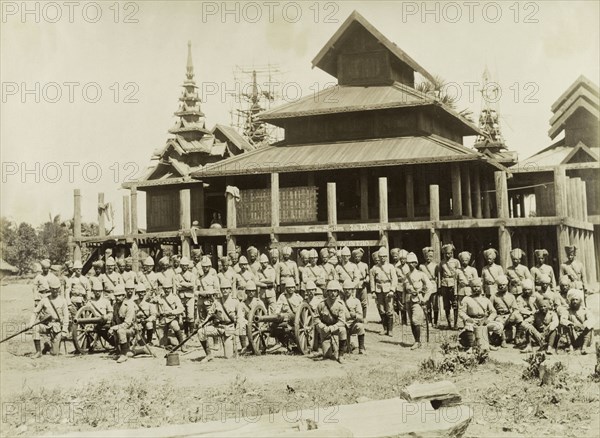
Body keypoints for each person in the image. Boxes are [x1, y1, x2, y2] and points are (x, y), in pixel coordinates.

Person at [458, 278, 501, 352]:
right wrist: (467, 318)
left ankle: (489, 343)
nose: (476, 289)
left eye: (478, 287)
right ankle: (471, 347)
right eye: (474, 287)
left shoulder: (486, 299)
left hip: (483, 321)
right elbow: (461, 312)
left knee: (498, 327)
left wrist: (488, 320)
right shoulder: (466, 299)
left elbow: (493, 312)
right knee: (469, 327)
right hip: (472, 320)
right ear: (471, 288)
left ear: (480, 287)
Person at [30, 276, 69, 358]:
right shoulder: (44, 300)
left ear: (59, 289)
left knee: (54, 353)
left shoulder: (63, 301)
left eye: (57, 288)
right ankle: (38, 352)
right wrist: (31, 323)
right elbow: (35, 312)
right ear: (50, 288)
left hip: (56, 328)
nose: (55, 290)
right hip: (46, 325)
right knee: (35, 328)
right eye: (53, 288)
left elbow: (66, 317)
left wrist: (64, 330)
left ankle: (48, 346)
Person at [404, 252, 434, 349]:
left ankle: (417, 342)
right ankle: (416, 340)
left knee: (415, 320)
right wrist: (404, 301)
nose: (410, 264)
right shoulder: (406, 275)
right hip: (408, 300)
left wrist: (425, 299)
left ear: (416, 263)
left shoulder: (421, 274)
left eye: (412, 262)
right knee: (411, 322)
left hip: (418, 300)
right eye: (408, 263)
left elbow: (430, 287)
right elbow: (404, 290)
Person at [315, 280, 348, 363]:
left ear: (338, 292)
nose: (333, 293)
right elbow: (316, 318)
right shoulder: (321, 304)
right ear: (327, 292)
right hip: (325, 330)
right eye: (331, 291)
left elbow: (341, 321)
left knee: (343, 330)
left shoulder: (340, 304)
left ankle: (341, 355)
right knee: (327, 355)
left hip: (335, 328)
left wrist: (332, 328)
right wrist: (322, 326)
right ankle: (332, 346)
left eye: (335, 291)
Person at [370, 247, 397, 336]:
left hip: (388, 289)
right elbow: (372, 280)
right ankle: (385, 328)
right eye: (381, 256)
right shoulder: (374, 268)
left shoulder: (391, 267)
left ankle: (390, 330)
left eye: (384, 256)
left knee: (389, 309)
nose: (382, 258)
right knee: (381, 310)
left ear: (387, 257)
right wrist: (373, 291)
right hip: (378, 290)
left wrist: (392, 290)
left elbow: (394, 279)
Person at [490, 275, 522, 347]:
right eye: (500, 285)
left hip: (509, 315)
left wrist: (513, 315)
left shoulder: (511, 296)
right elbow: (491, 309)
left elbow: (516, 309)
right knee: (499, 322)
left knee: (519, 318)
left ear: (507, 285)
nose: (501, 287)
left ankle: (517, 337)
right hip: (499, 315)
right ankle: (503, 340)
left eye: (503, 285)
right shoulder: (494, 296)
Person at [155, 277, 185, 350]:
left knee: (174, 325)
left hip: (172, 318)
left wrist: (171, 312)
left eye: (168, 288)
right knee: (162, 345)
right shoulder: (160, 297)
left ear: (171, 288)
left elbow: (181, 308)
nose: (167, 290)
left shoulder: (175, 297)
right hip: (163, 320)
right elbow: (148, 300)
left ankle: (182, 344)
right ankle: (169, 341)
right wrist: (151, 292)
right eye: (165, 288)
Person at [561, 288, 594, 354]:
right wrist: (571, 324)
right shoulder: (568, 311)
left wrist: (584, 325)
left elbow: (592, 319)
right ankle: (570, 347)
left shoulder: (585, 310)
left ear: (580, 301)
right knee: (566, 326)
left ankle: (584, 347)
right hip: (573, 335)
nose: (575, 301)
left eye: (576, 300)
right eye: (573, 300)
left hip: (584, 336)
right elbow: (562, 320)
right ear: (570, 301)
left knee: (589, 327)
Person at [108, 284, 136, 363]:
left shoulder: (129, 305)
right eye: (116, 296)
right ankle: (120, 351)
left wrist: (114, 328)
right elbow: (114, 319)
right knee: (114, 330)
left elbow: (127, 323)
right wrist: (111, 327)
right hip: (121, 328)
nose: (117, 297)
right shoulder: (115, 305)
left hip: (131, 329)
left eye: (119, 295)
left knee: (120, 331)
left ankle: (123, 355)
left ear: (124, 296)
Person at [341, 279, 366, 355]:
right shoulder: (340, 301)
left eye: (349, 289)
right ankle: (348, 346)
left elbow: (361, 317)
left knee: (360, 326)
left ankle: (361, 348)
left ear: (352, 290)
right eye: (345, 289)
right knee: (344, 349)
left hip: (352, 325)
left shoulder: (356, 301)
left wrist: (355, 315)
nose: (347, 291)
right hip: (342, 325)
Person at [516, 279, 541, 352]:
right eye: (525, 290)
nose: (527, 291)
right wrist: (529, 313)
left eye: (529, 289)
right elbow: (520, 309)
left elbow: (539, 306)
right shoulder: (519, 298)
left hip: (536, 315)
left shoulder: (535, 297)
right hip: (526, 315)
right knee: (527, 323)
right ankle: (528, 344)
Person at [439, 244, 460, 329]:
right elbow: (440, 274)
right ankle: (449, 323)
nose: (448, 255)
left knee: (455, 304)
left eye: (450, 253)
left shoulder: (456, 262)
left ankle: (455, 323)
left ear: (452, 253)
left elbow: (459, 273)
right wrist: (439, 286)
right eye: (446, 254)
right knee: (446, 305)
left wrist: (458, 285)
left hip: (453, 284)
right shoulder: (442, 262)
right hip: (445, 284)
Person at [238, 279, 260, 354]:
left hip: (258, 326)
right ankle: (244, 347)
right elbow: (240, 316)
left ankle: (253, 346)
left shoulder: (258, 302)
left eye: (253, 291)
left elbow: (265, 314)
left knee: (256, 346)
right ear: (246, 292)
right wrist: (248, 323)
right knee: (240, 324)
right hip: (247, 325)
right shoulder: (242, 304)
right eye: (249, 291)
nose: (251, 292)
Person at [176, 257, 196, 335]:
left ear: (188, 266)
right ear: (180, 266)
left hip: (190, 296)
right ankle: (186, 332)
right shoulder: (177, 275)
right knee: (183, 315)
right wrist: (187, 285)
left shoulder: (192, 275)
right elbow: (177, 287)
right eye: (183, 265)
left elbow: (192, 286)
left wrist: (182, 285)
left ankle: (191, 332)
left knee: (190, 315)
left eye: (186, 265)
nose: (184, 267)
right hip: (181, 297)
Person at [419, 247, 439, 328]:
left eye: (430, 256)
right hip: (425, 287)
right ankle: (429, 321)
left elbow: (438, 277)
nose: (428, 258)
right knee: (427, 305)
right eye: (426, 256)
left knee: (435, 305)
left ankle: (435, 322)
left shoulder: (436, 266)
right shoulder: (421, 266)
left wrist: (439, 287)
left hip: (433, 285)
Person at [392, 249, 409, 326]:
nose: (402, 261)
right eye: (401, 259)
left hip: (407, 286)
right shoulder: (396, 267)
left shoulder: (409, 267)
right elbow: (394, 277)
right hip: (399, 286)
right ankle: (400, 320)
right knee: (399, 303)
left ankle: (406, 320)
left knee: (406, 303)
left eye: (404, 259)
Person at [352, 248, 370, 319]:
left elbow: (368, 274)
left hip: (363, 284)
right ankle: (356, 317)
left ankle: (364, 318)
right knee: (355, 301)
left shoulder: (364, 265)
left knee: (364, 302)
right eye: (356, 257)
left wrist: (367, 279)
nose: (357, 258)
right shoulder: (352, 265)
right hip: (354, 285)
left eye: (359, 257)